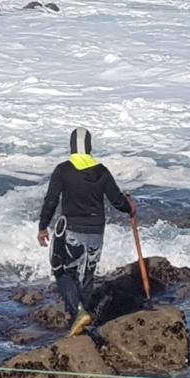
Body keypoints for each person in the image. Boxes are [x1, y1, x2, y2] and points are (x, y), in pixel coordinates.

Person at [38, 128, 134, 336]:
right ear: (89, 146)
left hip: (72, 229)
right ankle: (84, 318)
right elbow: (117, 201)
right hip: (97, 230)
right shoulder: (102, 171)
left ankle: (78, 314)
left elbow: (51, 201)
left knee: (63, 271)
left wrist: (42, 227)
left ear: (72, 146)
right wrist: (130, 207)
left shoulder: (63, 170)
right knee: (88, 275)